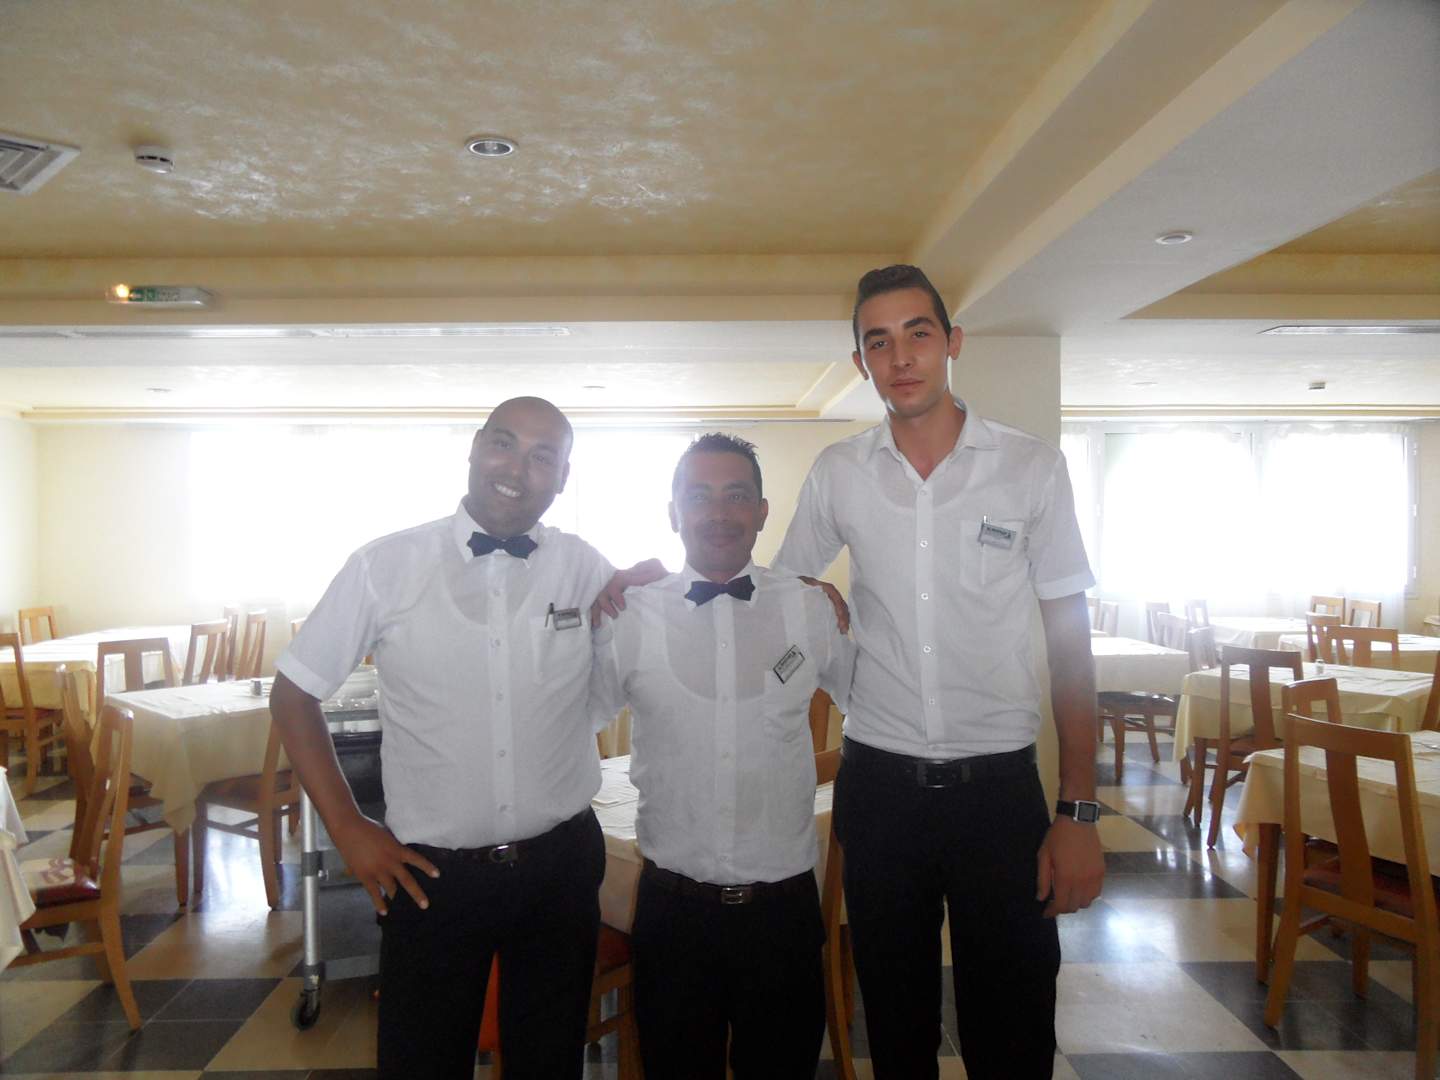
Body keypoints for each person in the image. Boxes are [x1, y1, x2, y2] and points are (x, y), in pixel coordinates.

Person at [774, 265, 1103, 1079]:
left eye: (917, 333)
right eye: (878, 342)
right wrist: (808, 595)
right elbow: (778, 591)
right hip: (879, 792)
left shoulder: (1030, 468)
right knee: (895, 1028)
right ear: (861, 362)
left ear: (952, 342)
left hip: (1000, 795)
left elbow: (1071, 645)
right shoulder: (839, 472)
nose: (901, 357)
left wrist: (1078, 812)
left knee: (1015, 1028)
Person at [270, 396, 658, 1080]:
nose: (518, 468)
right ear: (476, 448)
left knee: (549, 1062)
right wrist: (349, 828)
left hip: (561, 865)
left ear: (563, 477)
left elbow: (639, 642)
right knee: (421, 1061)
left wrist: (672, 586)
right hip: (432, 875)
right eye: (504, 444)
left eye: (543, 456)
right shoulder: (385, 565)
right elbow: (293, 694)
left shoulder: (582, 566)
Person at [590, 433, 855, 1079]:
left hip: (784, 913)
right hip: (673, 913)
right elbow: (565, 723)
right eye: (699, 496)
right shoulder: (629, 617)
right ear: (673, 512)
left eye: (736, 496)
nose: (718, 513)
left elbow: (880, 711)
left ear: (762, 512)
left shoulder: (810, 609)